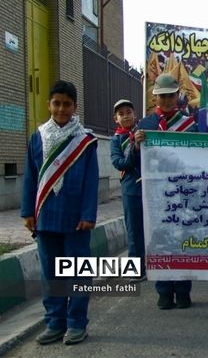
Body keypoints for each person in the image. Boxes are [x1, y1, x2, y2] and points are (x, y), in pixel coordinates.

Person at [21, 80, 99, 345]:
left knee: (77, 272)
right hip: (45, 215)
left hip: (77, 218)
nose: (61, 109)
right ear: (49, 104)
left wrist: (89, 214)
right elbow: (30, 178)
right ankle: (55, 322)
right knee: (50, 274)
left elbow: (91, 180)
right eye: (57, 103)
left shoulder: (85, 141)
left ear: (75, 107)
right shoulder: (37, 137)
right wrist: (27, 212)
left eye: (67, 104)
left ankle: (77, 323)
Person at [134, 73, 199, 309]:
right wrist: (136, 145)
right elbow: (133, 163)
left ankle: (183, 290)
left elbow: (199, 158)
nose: (167, 100)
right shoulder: (145, 125)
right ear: (155, 98)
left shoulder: (190, 124)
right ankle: (163, 291)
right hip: (157, 193)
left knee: (182, 241)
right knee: (160, 240)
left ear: (177, 96)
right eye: (162, 96)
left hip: (183, 192)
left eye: (170, 95)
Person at [111, 99, 146, 279]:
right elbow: (119, 163)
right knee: (134, 230)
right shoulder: (116, 140)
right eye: (121, 114)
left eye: (128, 112)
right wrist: (135, 148)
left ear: (135, 114)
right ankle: (136, 269)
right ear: (115, 118)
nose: (125, 116)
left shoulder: (144, 132)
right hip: (131, 189)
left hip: (150, 186)